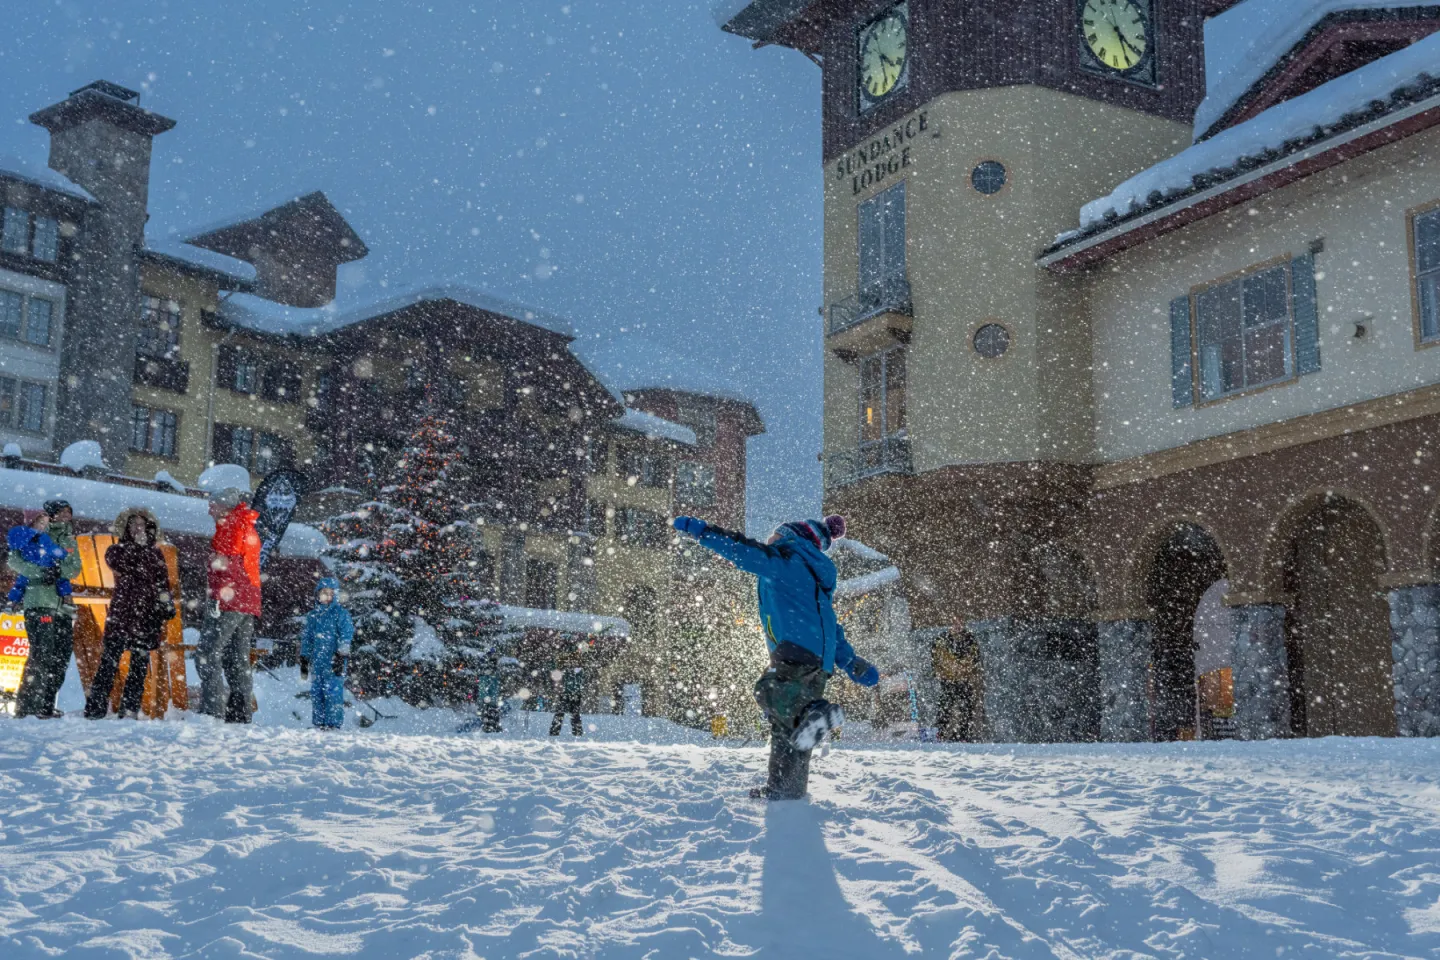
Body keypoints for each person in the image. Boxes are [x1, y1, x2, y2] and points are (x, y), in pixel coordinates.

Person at [673, 513, 881, 800]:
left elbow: (743, 551)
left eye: (775, 536)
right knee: (793, 729)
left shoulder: (785, 559)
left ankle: (818, 712)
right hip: (818, 659)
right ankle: (785, 790)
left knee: (769, 690)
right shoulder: (814, 576)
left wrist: (704, 532)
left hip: (792, 650)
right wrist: (850, 661)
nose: (770, 539)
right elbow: (831, 625)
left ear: (789, 536)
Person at [84, 508, 175, 720]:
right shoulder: (117, 550)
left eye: (141, 524)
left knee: (139, 664)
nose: (138, 528)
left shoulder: (156, 553)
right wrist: (140, 549)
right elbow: (122, 563)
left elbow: (163, 582)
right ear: (126, 528)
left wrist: (166, 603)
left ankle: (130, 707)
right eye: (133, 524)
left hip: (146, 614)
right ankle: (95, 708)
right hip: (123, 612)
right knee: (109, 661)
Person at [9, 500, 81, 719]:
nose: (66, 516)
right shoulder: (34, 531)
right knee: (41, 654)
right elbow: (14, 560)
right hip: (39, 601)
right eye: (61, 512)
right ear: (50, 515)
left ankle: (45, 706)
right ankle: (27, 707)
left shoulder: (70, 540)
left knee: (61, 656)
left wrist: (58, 569)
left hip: (62, 608)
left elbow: (74, 568)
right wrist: (41, 571)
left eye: (69, 512)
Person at [199, 487, 262, 723]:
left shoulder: (228, 526)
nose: (209, 509)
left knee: (207, 654)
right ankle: (240, 712)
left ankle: (212, 711)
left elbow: (227, 566)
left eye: (212, 504)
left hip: (229, 600)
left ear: (223, 506)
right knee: (238, 657)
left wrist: (218, 596)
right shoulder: (247, 525)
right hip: (249, 602)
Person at [299, 577, 354, 730]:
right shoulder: (313, 616)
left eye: (330, 593)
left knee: (333, 693)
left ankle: (333, 724)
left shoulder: (340, 614)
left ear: (335, 595)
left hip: (334, 660)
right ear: (317, 595)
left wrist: (342, 652)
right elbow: (308, 638)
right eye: (324, 593)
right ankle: (319, 723)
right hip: (318, 661)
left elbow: (346, 633)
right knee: (317, 692)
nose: (327, 597)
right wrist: (304, 658)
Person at [6, 525, 73, 604]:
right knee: (60, 579)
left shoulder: (22, 543)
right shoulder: (39, 537)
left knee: (21, 583)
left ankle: (12, 602)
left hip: (34, 569)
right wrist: (63, 553)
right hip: (48, 567)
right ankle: (66, 599)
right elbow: (53, 550)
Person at [549, 647, 586, 737]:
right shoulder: (568, 671)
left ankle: (575, 733)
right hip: (569, 695)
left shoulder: (577, 671)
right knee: (565, 714)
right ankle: (575, 733)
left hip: (572, 695)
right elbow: (555, 670)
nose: (571, 662)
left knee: (572, 715)